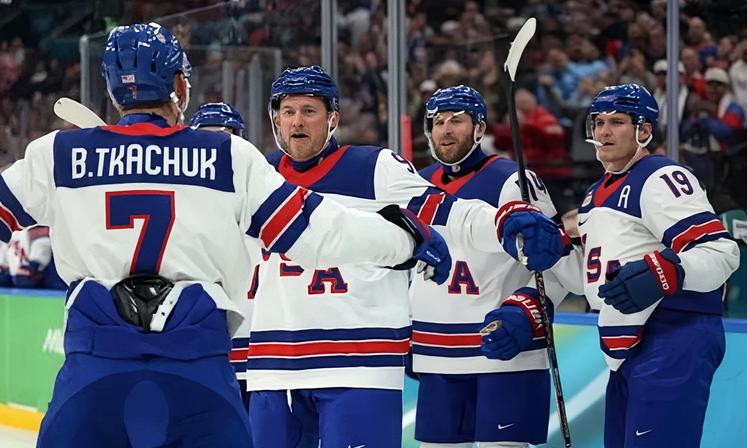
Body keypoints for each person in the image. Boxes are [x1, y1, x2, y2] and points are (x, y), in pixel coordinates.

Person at [2, 23, 455, 448]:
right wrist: (406, 241)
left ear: (111, 86)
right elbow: (319, 233)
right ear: (180, 85)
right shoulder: (226, 155)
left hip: (92, 371)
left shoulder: (57, 153)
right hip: (197, 372)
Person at [245, 66, 563, 448]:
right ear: (275, 119)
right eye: (288, 111)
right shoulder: (256, 176)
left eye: (309, 110)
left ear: (331, 118)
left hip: (359, 365)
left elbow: (449, 211)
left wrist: (504, 219)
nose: (297, 121)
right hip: (272, 366)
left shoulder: (374, 167)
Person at [409, 85, 583, 447]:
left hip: (503, 354)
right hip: (437, 357)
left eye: (456, 120)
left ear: (479, 128)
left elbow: (557, 267)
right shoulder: (414, 184)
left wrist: (531, 312)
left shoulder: (513, 179)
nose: (445, 129)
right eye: (437, 122)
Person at [581, 84, 740, 447]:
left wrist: (667, 272)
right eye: (599, 122)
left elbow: (721, 251)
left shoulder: (661, 176)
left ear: (645, 130)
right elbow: (594, 273)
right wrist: (552, 249)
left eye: (617, 122)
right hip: (627, 344)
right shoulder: (595, 192)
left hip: (673, 333)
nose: (604, 132)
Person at [189, 101, 255, 410]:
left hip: (261, 351)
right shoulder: (179, 207)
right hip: (203, 349)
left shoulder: (264, 190)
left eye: (227, 138)